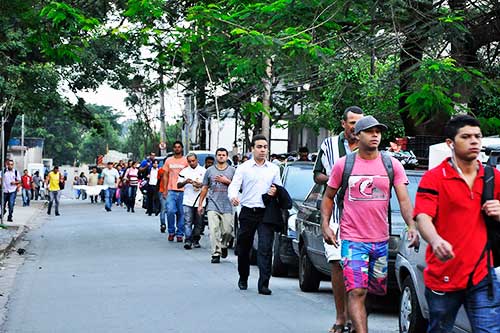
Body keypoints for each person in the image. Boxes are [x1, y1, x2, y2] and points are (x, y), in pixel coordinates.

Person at [321, 116, 418, 333]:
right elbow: (328, 197)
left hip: (380, 241)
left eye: (378, 132)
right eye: (370, 131)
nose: (375, 135)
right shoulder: (344, 165)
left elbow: (403, 200)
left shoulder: (391, 164)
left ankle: (357, 325)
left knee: (373, 294)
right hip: (352, 239)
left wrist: (411, 225)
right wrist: (325, 225)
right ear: (357, 135)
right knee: (357, 291)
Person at [414, 115, 500, 333]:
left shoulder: (493, 177)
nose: (474, 141)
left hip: (482, 275)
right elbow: (423, 216)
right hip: (444, 275)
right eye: (466, 136)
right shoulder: (434, 178)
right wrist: (435, 240)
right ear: (450, 143)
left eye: (477, 136)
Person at [313, 106, 364, 333]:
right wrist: (336, 176)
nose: (355, 127)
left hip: (361, 216)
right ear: (343, 124)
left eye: (359, 123)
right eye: (352, 122)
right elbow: (317, 175)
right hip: (335, 212)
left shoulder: (369, 145)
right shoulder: (329, 145)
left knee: (358, 269)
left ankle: (357, 318)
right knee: (337, 264)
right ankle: (340, 317)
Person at [228, 135, 282, 295]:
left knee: (265, 248)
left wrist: (275, 191)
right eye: (259, 147)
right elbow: (234, 186)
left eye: (265, 147)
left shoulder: (273, 168)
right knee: (244, 248)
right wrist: (233, 197)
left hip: (266, 214)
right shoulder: (243, 168)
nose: (262, 150)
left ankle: (264, 284)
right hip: (247, 212)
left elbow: (279, 188)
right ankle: (243, 276)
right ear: (252, 149)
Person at [198, 148, 235, 262]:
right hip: (213, 204)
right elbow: (205, 187)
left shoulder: (232, 171)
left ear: (227, 157)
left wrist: (227, 181)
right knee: (213, 229)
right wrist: (200, 204)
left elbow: (239, 187)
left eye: (223, 155)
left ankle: (223, 245)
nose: (221, 157)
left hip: (227, 205)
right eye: (219, 155)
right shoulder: (209, 171)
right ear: (216, 156)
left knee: (228, 231)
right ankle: (216, 253)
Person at [177, 153, 206, 250]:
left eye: (193, 161)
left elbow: (207, 185)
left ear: (197, 160)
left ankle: (196, 239)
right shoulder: (184, 171)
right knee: (187, 221)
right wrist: (186, 182)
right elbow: (178, 185)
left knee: (199, 222)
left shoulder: (204, 171)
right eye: (189, 161)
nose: (191, 163)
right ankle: (188, 240)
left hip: (200, 201)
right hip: (187, 200)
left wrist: (200, 184)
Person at [162, 141, 188, 242]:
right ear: (173, 149)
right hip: (171, 190)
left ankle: (180, 233)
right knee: (170, 211)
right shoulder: (169, 161)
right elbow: (165, 175)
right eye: (175, 147)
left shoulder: (186, 161)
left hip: (183, 190)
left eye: (179, 147)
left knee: (182, 213)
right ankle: (171, 231)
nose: (177, 149)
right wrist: (164, 190)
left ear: (182, 148)